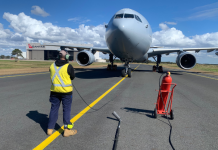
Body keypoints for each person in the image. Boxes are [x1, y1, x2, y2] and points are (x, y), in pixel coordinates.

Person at [47, 50, 77, 137]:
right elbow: (73, 77)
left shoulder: (52, 66)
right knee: (66, 110)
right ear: (67, 57)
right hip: (66, 92)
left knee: (54, 109)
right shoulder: (68, 66)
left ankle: (50, 129)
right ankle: (67, 130)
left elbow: (51, 72)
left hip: (54, 92)